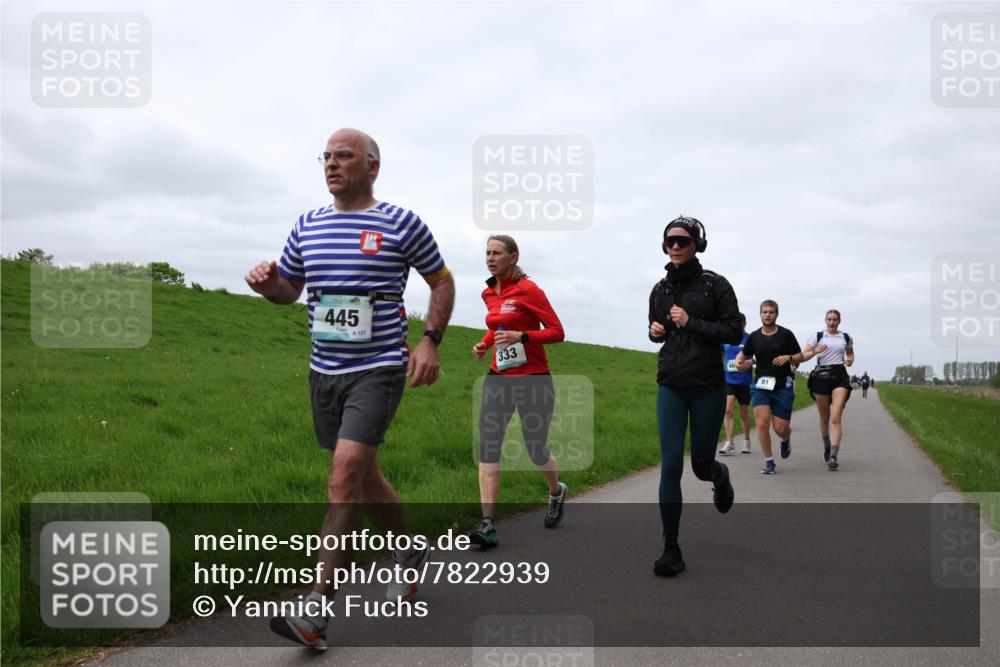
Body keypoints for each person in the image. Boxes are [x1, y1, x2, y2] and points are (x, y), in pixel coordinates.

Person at [246, 128, 455, 651]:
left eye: (344, 157)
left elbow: (442, 282)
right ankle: (406, 549)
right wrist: (267, 283)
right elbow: (289, 291)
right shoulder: (308, 225)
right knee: (364, 479)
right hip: (324, 371)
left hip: (379, 367)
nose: (332, 165)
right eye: (327, 157)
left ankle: (315, 610)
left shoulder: (401, 223)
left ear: (372, 166)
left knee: (342, 477)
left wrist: (429, 343)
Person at [648, 216, 742, 576]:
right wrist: (657, 331)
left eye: (683, 241)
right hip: (671, 382)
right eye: (670, 240)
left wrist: (691, 322)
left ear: (697, 245)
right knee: (671, 464)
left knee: (700, 466)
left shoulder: (715, 285)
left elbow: (734, 331)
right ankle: (671, 548)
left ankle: (719, 475)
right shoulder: (659, 289)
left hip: (708, 385)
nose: (675, 246)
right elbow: (659, 330)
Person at [468, 236, 567, 547]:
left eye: (497, 253)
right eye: (487, 252)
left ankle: (556, 491)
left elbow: (557, 332)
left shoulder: (529, 290)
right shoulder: (488, 291)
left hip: (534, 378)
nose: (490, 258)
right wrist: (485, 344)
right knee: (489, 445)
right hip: (499, 377)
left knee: (535, 447)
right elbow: (497, 325)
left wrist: (521, 336)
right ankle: (487, 524)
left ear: (513, 257)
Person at [734, 300, 802, 475]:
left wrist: (788, 358)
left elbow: (800, 356)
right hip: (761, 386)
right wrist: (739, 362)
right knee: (763, 422)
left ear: (776, 314)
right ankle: (769, 461)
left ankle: (786, 438)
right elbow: (743, 353)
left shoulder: (786, 334)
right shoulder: (754, 337)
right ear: (760, 314)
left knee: (780, 428)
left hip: (782, 386)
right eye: (764, 312)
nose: (768, 315)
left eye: (771, 312)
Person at [801, 310, 854, 470]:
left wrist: (849, 361)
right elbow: (803, 355)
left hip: (839, 376)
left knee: (836, 417)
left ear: (839, 321)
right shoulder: (817, 336)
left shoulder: (845, 337)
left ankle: (833, 455)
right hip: (821, 376)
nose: (832, 322)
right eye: (829, 319)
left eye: (835, 320)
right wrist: (815, 351)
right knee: (824, 418)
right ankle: (826, 445)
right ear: (825, 320)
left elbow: (850, 355)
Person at [719, 313, 754, 456]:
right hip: (729, 379)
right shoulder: (725, 338)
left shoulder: (749, 339)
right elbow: (720, 353)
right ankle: (729, 442)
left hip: (744, 381)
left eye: (741, 322)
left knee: (743, 413)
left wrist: (749, 362)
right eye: (735, 322)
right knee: (727, 409)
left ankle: (747, 441)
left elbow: (755, 355)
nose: (738, 325)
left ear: (745, 323)